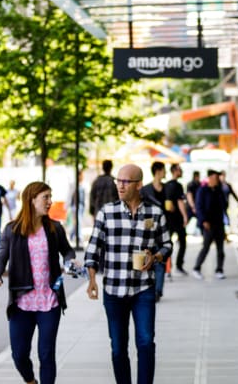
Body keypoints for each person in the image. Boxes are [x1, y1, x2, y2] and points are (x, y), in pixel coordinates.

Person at [84, 164, 172, 384]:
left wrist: (156, 257)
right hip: (114, 291)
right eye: (118, 181)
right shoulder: (107, 213)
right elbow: (93, 249)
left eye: (126, 181)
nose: (120, 186)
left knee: (146, 342)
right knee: (118, 348)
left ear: (139, 184)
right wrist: (92, 280)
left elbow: (167, 244)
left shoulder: (155, 213)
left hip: (144, 288)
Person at [0, 181, 76, 384]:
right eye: (46, 197)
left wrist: (70, 262)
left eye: (50, 197)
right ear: (32, 200)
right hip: (21, 304)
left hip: (49, 301)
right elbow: (1, 258)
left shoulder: (55, 228)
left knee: (46, 354)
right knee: (19, 355)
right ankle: (31, 381)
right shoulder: (12, 230)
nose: (50, 202)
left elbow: (68, 251)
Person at [192, 170, 227, 280]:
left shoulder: (219, 191)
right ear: (210, 178)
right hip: (208, 224)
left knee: (220, 249)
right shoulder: (202, 190)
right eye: (215, 178)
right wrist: (203, 221)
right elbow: (199, 207)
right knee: (206, 247)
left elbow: (224, 205)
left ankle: (219, 270)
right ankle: (196, 268)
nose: (217, 180)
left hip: (219, 223)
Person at [140, 162, 167, 298]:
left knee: (161, 258)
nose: (165, 172)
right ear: (158, 171)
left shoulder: (167, 189)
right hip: (150, 228)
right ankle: (151, 288)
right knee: (149, 257)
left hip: (164, 227)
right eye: (164, 170)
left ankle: (158, 290)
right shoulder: (145, 190)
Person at [163, 164, 189, 275]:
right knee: (182, 242)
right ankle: (179, 266)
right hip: (177, 219)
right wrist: (185, 216)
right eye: (180, 169)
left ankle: (167, 268)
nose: (181, 171)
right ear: (175, 171)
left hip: (168, 219)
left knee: (168, 244)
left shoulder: (165, 185)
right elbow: (180, 202)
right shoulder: (178, 186)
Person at [67, 169, 85, 244]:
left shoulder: (82, 185)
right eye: (81, 175)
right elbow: (69, 195)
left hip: (81, 206)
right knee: (78, 222)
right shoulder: (74, 184)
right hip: (75, 206)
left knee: (77, 222)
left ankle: (72, 235)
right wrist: (67, 206)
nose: (82, 177)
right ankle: (79, 237)